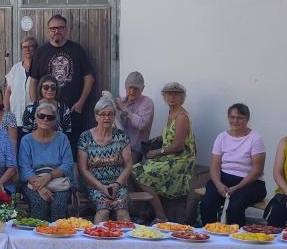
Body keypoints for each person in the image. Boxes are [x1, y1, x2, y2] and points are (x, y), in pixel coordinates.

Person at [131, 82, 197, 222]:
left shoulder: (181, 117)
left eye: (176, 94)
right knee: (136, 169)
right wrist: (158, 138)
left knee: (143, 172)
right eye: (169, 94)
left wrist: (156, 152)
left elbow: (178, 145)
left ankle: (161, 216)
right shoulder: (171, 112)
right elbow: (169, 135)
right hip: (170, 154)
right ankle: (152, 212)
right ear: (164, 96)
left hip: (181, 158)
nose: (172, 97)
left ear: (182, 97)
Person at [27, 14, 95, 142]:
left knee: (70, 149)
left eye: (60, 28)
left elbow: (89, 79)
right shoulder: (41, 52)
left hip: (72, 111)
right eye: (53, 28)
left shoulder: (77, 50)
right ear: (49, 31)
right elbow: (33, 81)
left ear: (66, 29)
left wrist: (81, 102)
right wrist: (36, 104)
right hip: (46, 113)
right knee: (46, 144)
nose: (56, 31)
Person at [199, 103, 268, 225]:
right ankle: (211, 236)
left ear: (247, 119)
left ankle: (236, 240)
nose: (235, 121)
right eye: (232, 117)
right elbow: (214, 167)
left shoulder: (255, 138)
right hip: (224, 180)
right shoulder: (221, 137)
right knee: (207, 204)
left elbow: (257, 171)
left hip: (250, 183)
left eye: (240, 117)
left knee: (234, 208)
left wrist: (236, 188)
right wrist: (219, 185)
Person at [77, 98, 133, 223]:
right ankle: (98, 241)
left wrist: (117, 184)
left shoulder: (121, 136)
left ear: (114, 116)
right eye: (102, 114)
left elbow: (128, 165)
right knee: (103, 210)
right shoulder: (85, 137)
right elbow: (83, 169)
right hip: (95, 185)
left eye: (110, 114)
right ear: (96, 116)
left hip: (118, 185)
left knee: (122, 211)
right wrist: (101, 186)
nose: (106, 118)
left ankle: (126, 241)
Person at [19, 101, 75, 221]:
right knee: (39, 204)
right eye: (42, 116)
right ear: (35, 118)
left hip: (59, 181)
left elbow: (67, 164)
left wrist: (49, 176)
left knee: (58, 205)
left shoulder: (62, 138)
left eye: (50, 117)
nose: (45, 119)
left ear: (55, 121)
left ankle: (58, 237)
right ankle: (37, 239)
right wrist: (41, 187)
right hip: (33, 182)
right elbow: (25, 169)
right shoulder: (26, 140)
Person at [116, 71, 155, 160]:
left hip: (134, 150)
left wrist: (124, 109)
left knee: (128, 172)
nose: (132, 91)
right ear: (125, 87)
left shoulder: (147, 102)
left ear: (142, 88)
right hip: (117, 147)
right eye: (130, 88)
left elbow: (141, 125)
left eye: (136, 88)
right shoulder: (120, 101)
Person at [3, 37, 37, 122]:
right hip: (16, 117)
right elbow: (8, 92)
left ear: (36, 48)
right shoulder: (16, 68)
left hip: (35, 117)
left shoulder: (40, 67)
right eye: (24, 47)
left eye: (31, 46)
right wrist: (7, 114)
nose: (27, 49)